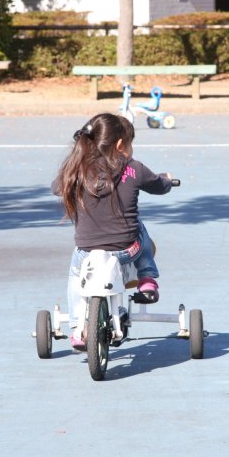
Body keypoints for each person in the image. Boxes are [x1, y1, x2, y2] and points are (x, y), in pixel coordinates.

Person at [51, 113, 174, 350]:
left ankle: (78, 328)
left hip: (87, 252)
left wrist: (73, 171)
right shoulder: (134, 169)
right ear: (120, 145)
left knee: (75, 279)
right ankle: (147, 279)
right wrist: (166, 179)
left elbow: (56, 187)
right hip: (127, 250)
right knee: (138, 227)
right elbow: (160, 187)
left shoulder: (77, 169)